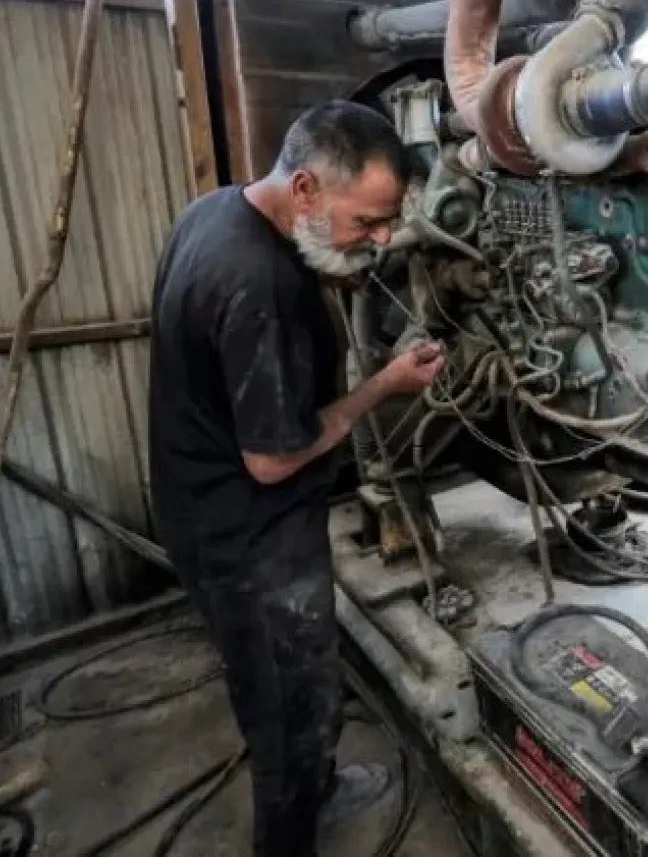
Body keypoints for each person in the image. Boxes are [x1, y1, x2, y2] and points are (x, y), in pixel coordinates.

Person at [148, 101, 444, 856]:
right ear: (306, 189)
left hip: (199, 504)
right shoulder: (261, 288)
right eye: (368, 222)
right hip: (251, 535)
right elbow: (273, 457)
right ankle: (288, 836)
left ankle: (318, 789)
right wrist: (384, 384)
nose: (380, 241)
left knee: (277, 691)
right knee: (291, 705)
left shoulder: (219, 210)